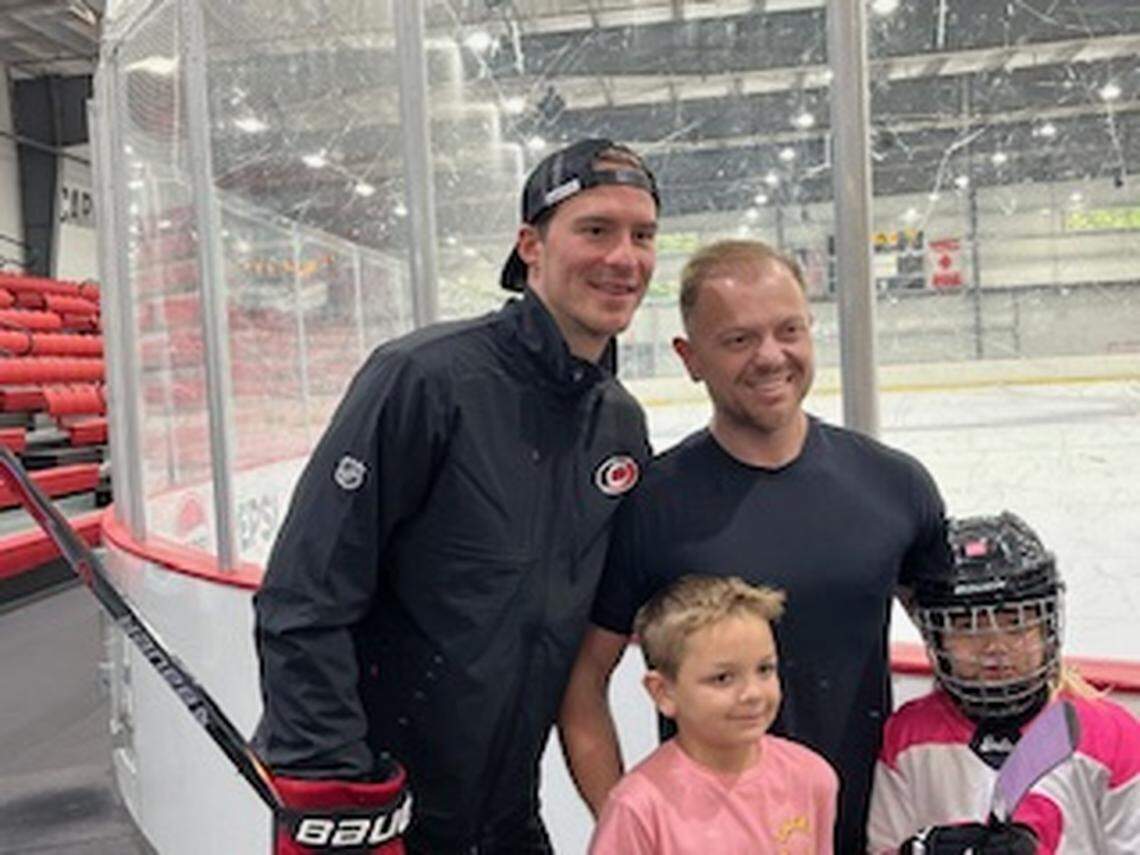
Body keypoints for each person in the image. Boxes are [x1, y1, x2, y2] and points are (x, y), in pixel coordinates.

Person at [253, 138, 660, 854]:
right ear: (530, 244)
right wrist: (335, 786)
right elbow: (304, 596)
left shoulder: (618, 425)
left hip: (505, 818)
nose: (623, 257)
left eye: (642, 235)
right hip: (390, 813)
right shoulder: (423, 378)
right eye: (595, 229)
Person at [558, 238, 949, 853]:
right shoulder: (650, 507)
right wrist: (635, 826)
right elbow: (583, 686)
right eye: (738, 340)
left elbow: (967, 652)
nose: (771, 357)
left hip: (875, 834)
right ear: (690, 357)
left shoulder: (895, 486)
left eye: (788, 330)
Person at [868, 511, 1140, 854]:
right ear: (937, 639)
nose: (995, 646)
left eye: (1017, 624)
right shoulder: (907, 736)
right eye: (967, 627)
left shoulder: (1111, 736)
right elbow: (883, 846)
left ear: (1047, 629)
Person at [589, 575, 838, 854]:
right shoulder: (638, 808)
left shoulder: (812, 778)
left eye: (764, 669)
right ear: (663, 692)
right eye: (722, 678)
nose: (752, 693)